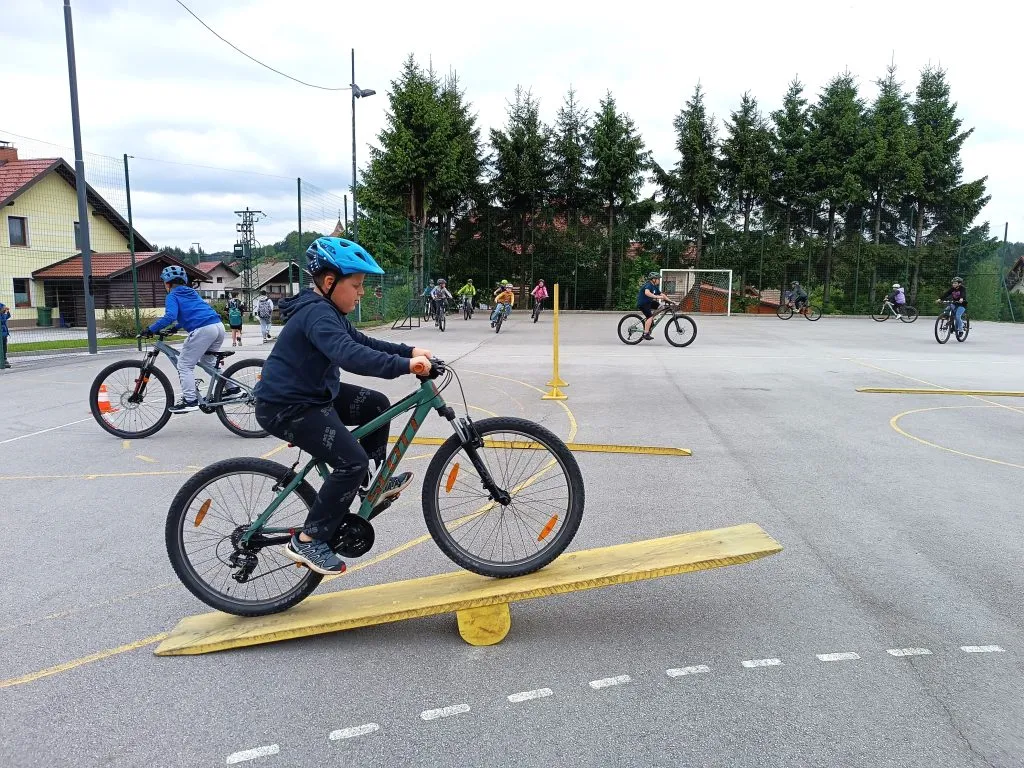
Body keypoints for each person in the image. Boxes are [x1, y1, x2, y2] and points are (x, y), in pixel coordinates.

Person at [253, 237, 432, 575]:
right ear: (330, 281)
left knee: (377, 405)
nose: (361, 292)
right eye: (357, 284)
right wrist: (406, 366)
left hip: (312, 394)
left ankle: (370, 486)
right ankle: (308, 540)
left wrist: (408, 352)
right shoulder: (317, 314)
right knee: (351, 461)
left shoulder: (328, 311)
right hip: (287, 406)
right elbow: (349, 354)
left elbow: (362, 341)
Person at [144, 265, 235, 413]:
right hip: (218, 326)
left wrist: (150, 329)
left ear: (167, 283)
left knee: (184, 365)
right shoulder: (191, 292)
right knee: (208, 362)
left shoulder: (172, 295)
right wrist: (176, 327)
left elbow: (170, 316)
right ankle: (233, 389)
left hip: (204, 329)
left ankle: (190, 400)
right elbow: (195, 312)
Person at [636, 272, 664, 340]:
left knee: (661, 307)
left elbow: (662, 295)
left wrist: (671, 301)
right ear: (653, 279)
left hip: (649, 302)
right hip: (643, 303)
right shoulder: (648, 285)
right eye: (658, 279)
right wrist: (656, 297)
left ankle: (650, 319)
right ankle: (645, 334)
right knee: (649, 317)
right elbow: (647, 292)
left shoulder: (655, 287)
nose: (659, 280)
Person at [0, 300, 10, 369]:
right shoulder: (2, 315)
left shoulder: (3, 314)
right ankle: (2, 361)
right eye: (3, 309)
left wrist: (7, 311)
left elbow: (8, 316)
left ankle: (4, 359)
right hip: (1, 334)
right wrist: (5, 313)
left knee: (4, 347)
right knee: (1, 347)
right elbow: (2, 320)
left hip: (4, 334)